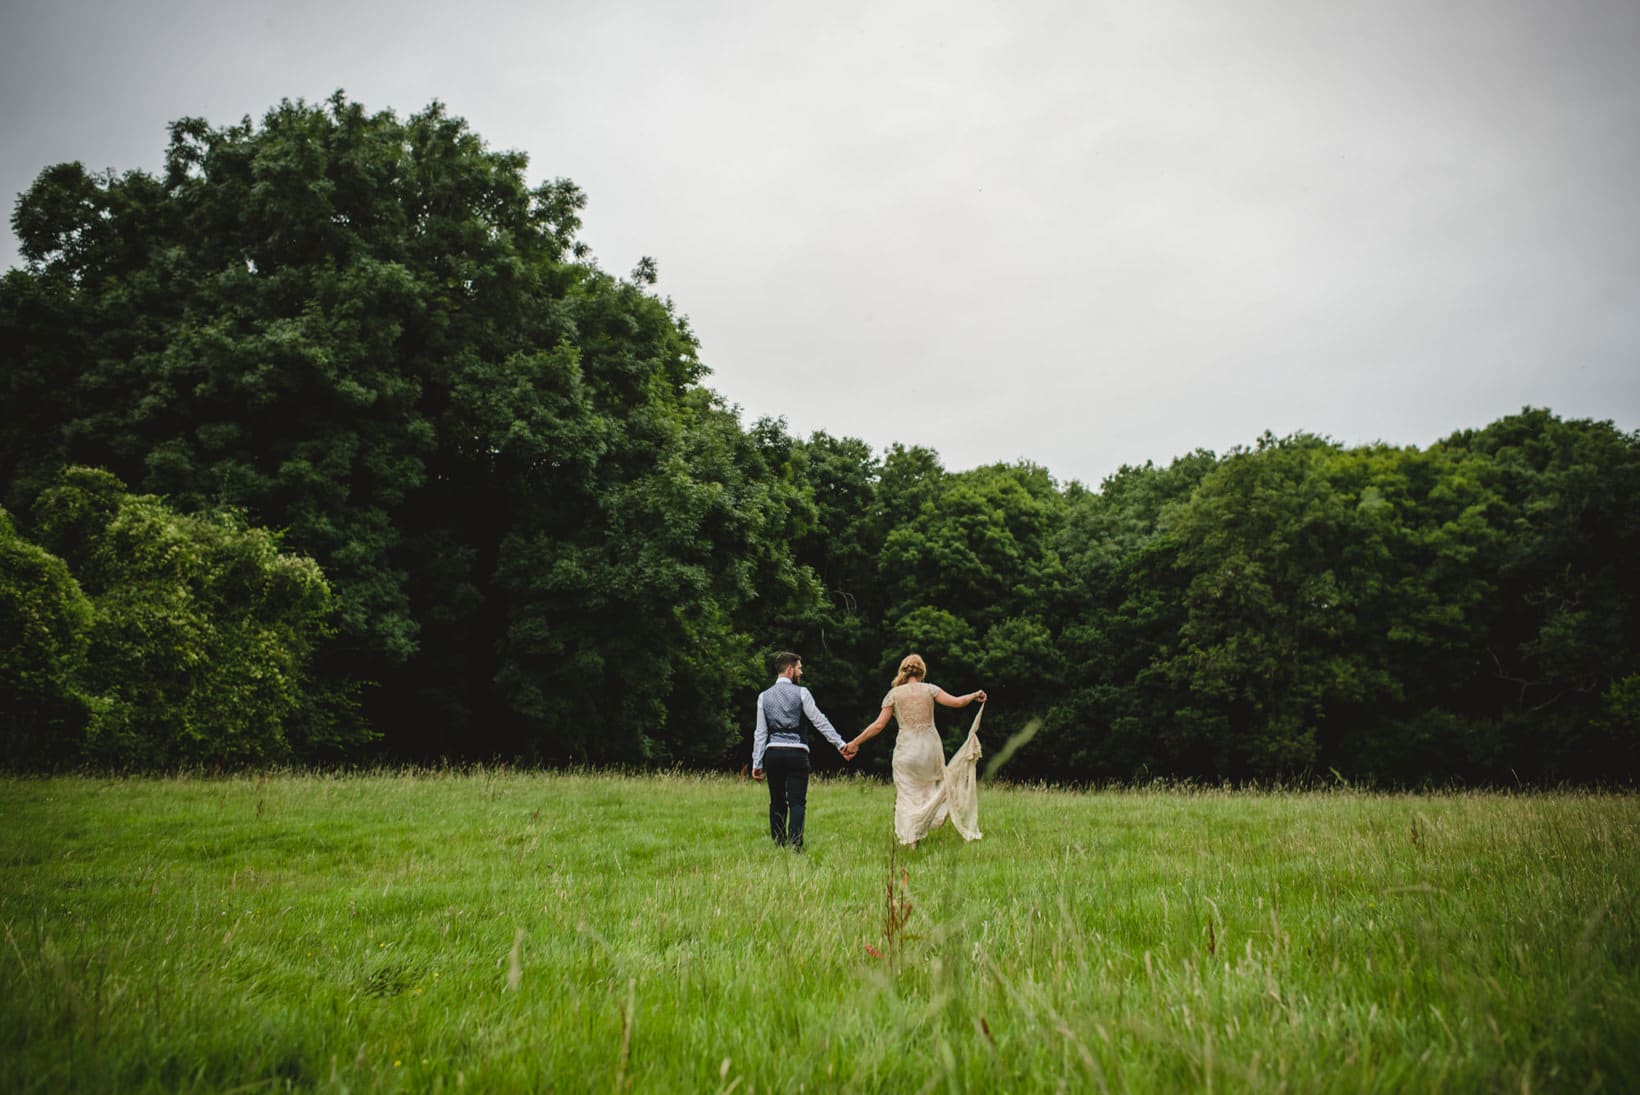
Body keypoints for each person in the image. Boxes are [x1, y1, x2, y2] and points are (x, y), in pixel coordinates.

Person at [844, 653, 987, 847]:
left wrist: (855, 742)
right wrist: (974, 695)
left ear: (903, 671)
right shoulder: (930, 689)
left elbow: (878, 725)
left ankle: (912, 840)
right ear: (923, 672)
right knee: (930, 789)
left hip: (907, 750)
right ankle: (924, 824)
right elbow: (957, 702)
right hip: (930, 749)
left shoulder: (893, 694)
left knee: (908, 793)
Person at [752, 652, 851, 849]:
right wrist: (839, 744)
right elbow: (819, 721)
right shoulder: (802, 693)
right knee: (797, 802)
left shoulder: (764, 697)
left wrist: (757, 762)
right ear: (789, 670)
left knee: (777, 801)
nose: (801, 671)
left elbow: (760, 733)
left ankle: (778, 843)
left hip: (773, 753)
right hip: (797, 753)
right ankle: (795, 845)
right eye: (799, 667)